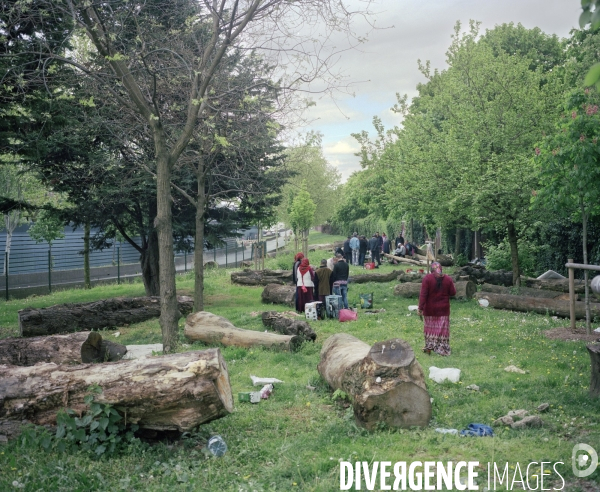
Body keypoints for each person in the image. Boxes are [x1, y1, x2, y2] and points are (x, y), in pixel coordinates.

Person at [417, 261, 456, 356]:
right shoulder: (448, 279)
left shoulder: (427, 279)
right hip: (443, 309)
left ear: (431, 270)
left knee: (430, 330)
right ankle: (442, 348)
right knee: (442, 330)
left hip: (430, 309)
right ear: (441, 269)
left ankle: (430, 346)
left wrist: (420, 308)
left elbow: (423, 295)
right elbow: (453, 292)